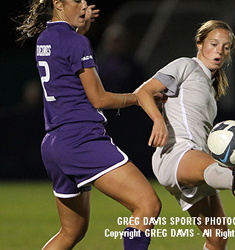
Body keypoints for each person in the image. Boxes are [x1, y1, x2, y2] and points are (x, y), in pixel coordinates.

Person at [16, 1, 161, 249]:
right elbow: (99, 99)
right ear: (58, 4)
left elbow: (67, 49)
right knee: (147, 204)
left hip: (54, 143)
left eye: (85, 1)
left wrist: (81, 28)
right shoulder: (77, 42)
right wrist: (138, 98)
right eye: (77, 2)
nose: (84, 7)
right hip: (81, 139)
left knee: (71, 232)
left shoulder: (45, 39)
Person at [135, 20, 235, 250]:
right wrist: (158, 120)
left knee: (217, 238)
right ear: (199, 44)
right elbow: (143, 91)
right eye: (214, 43)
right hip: (176, 153)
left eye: (226, 47)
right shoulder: (185, 66)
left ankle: (228, 173)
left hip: (196, 160)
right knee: (215, 170)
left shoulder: (211, 86)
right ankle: (232, 177)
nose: (220, 51)